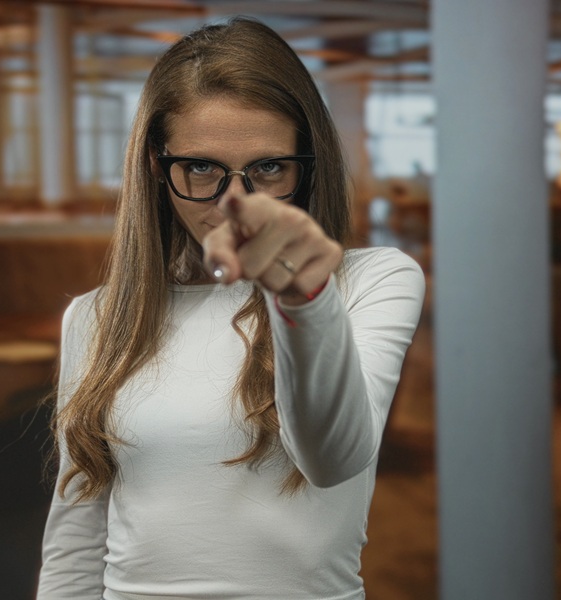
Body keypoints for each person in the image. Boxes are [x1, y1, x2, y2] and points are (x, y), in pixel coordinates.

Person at [37, 16, 425, 600]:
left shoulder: (371, 281)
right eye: (200, 168)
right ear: (155, 167)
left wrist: (299, 296)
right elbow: (76, 538)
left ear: (305, 164)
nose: (234, 204)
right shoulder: (97, 317)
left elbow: (333, 456)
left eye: (269, 168)